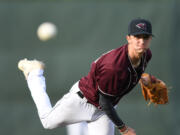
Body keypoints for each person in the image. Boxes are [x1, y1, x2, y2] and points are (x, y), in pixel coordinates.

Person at [18, 18, 153, 135]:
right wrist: (123, 129)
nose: (141, 41)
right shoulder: (113, 66)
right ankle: (34, 73)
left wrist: (145, 78)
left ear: (150, 39)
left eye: (145, 37)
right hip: (83, 101)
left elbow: (129, 70)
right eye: (137, 37)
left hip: (104, 112)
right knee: (48, 122)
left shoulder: (146, 55)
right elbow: (104, 101)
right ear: (128, 38)